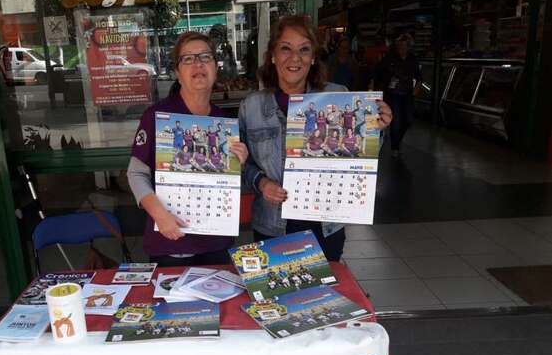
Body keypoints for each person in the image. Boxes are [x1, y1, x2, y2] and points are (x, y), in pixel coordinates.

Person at [239, 15, 392, 261]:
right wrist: (261, 182)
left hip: (326, 225)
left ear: (312, 58)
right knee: (278, 285)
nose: (295, 58)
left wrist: (377, 129)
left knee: (326, 285)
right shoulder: (252, 106)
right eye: (285, 48)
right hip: (271, 225)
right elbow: (240, 163)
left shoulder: (338, 96)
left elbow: (361, 155)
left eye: (304, 49)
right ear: (273, 56)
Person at [127, 32, 249, 267]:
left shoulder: (224, 122)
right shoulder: (157, 116)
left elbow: (227, 183)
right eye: (188, 59)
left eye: (205, 57)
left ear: (215, 67)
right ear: (177, 72)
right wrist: (160, 215)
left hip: (216, 239)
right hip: (172, 240)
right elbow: (136, 174)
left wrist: (237, 162)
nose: (198, 64)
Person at [374, 33, 422, 157]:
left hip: (408, 93)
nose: (402, 48)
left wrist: (416, 89)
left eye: (405, 46)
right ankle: (395, 146)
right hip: (393, 94)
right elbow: (378, 72)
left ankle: (397, 140)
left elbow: (419, 77)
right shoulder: (390, 58)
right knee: (396, 122)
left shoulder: (413, 59)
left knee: (408, 120)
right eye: (400, 45)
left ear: (409, 47)